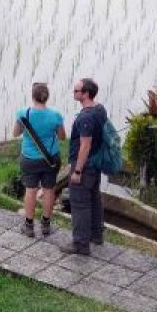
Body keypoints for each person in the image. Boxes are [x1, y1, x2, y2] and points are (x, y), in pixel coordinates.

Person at [12, 83, 67, 237]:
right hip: (50, 159)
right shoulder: (55, 116)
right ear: (47, 97)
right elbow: (62, 137)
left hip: (29, 158)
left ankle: (29, 226)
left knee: (31, 190)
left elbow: (15, 133)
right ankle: (45, 225)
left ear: (32, 96)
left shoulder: (23, 113)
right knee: (49, 190)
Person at [63, 78, 108, 255]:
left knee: (80, 204)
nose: (74, 93)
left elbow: (85, 145)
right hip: (95, 164)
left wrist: (77, 171)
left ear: (86, 93)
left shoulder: (86, 117)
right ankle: (96, 236)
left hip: (85, 166)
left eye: (76, 91)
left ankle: (80, 244)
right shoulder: (100, 109)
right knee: (94, 199)